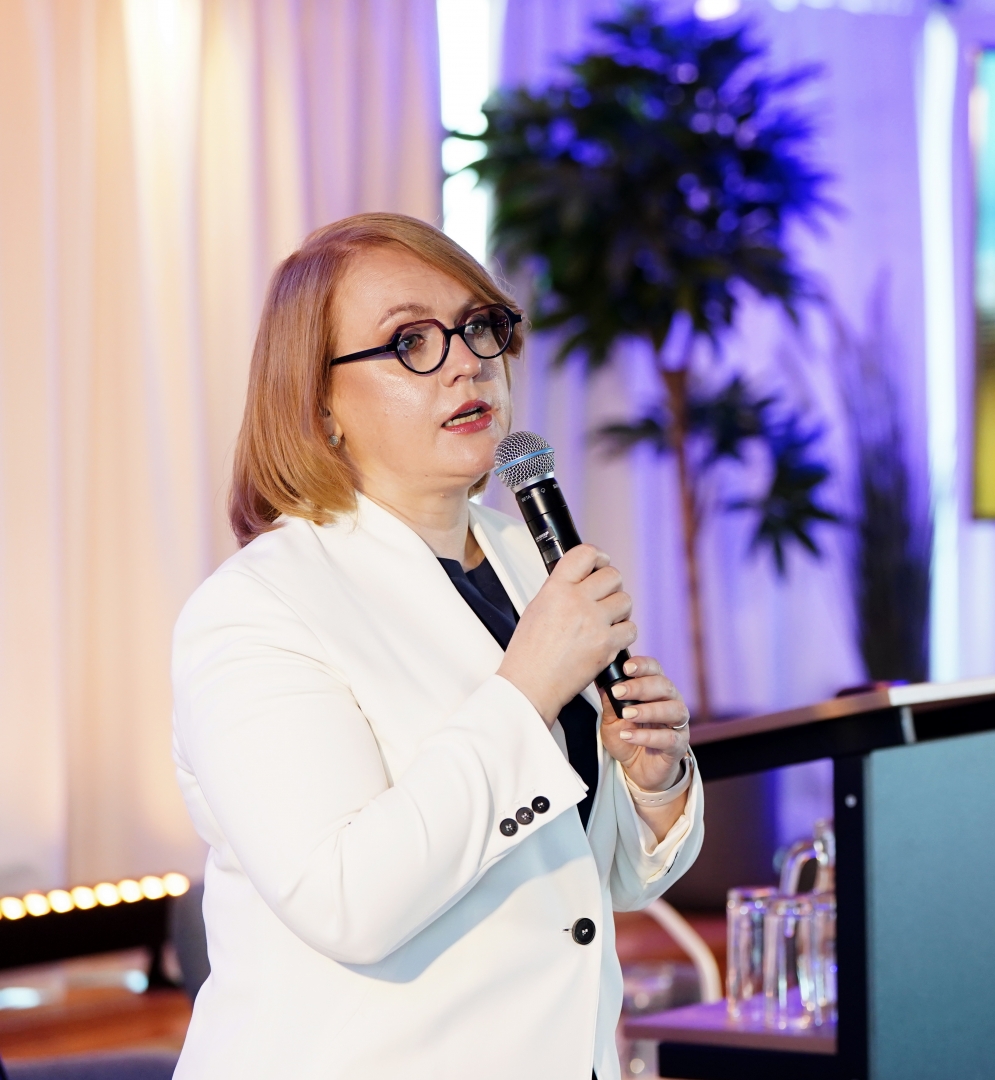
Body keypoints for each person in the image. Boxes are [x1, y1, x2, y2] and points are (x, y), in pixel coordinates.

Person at [170, 213, 703, 1079]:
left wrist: (652, 783)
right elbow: (349, 901)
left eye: (478, 326)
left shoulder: (529, 556)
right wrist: (529, 686)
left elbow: (580, 884)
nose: (466, 362)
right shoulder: (255, 609)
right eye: (410, 341)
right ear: (319, 404)